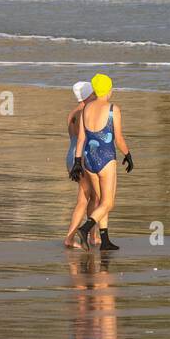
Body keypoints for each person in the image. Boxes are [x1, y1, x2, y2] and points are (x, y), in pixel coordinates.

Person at [69, 73, 133, 253]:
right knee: (108, 203)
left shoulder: (86, 109)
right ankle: (85, 228)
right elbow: (118, 138)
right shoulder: (113, 109)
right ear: (109, 89)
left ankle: (104, 240)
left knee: (101, 202)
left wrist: (77, 162)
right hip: (106, 159)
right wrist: (128, 155)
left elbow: (81, 138)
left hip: (88, 159)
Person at [64, 80, 99, 248]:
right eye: (94, 93)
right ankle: (72, 237)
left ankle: (91, 235)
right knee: (87, 199)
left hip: (70, 157)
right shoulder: (87, 112)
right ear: (89, 95)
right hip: (82, 157)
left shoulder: (72, 114)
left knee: (90, 197)